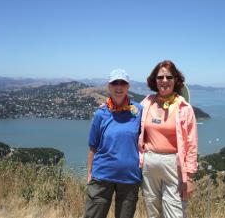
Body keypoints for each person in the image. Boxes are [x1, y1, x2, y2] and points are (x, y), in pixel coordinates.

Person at [138, 60, 198, 218]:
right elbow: (129, 114)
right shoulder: (147, 102)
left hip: (174, 165)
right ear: (154, 80)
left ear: (176, 80)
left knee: (175, 212)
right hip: (149, 163)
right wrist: (109, 107)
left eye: (169, 77)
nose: (164, 81)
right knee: (153, 212)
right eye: (160, 77)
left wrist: (190, 177)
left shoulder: (184, 108)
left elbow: (192, 144)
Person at [84, 69, 143, 218]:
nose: (119, 87)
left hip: (129, 178)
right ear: (109, 87)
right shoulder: (101, 114)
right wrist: (90, 173)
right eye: (114, 83)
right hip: (102, 176)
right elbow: (93, 146)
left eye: (122, 83)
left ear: (128, 86)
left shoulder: (139, 111)